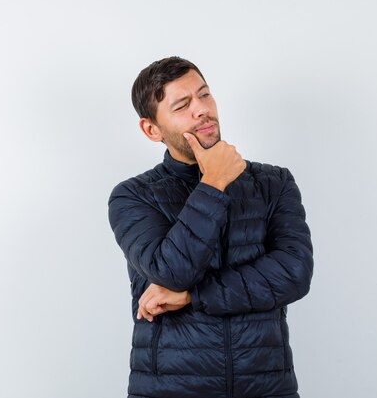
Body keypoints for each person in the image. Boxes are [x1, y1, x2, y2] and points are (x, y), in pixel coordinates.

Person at [108, 56, 314, 398]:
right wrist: (215, 181)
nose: (201, 110)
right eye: (183, 105)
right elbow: (171, 271)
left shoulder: (274, 183)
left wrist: (193, 295)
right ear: (151, 129)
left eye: (204, 95)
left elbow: (294, 273)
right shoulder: (133, 196)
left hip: (267, 388)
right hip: (170, 390)